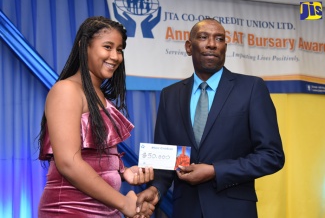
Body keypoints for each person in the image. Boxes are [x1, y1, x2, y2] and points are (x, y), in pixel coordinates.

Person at [136, 18, 285, 218]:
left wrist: (215, 171)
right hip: (186, 211)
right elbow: (166, 159)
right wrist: (156, 189)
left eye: (219, 39)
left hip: (234, 211)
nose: (212, 44)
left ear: (225, 46)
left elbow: (272, 156)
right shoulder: (170, 96)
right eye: (203, 37)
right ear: (189, 47)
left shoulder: (251, 89)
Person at [37, 16, 154, 218]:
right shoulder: (67, 90)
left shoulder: (98, 95)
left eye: (119, 50)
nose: (115, 56)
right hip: (70, 210)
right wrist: (124, 203)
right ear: (85, 46)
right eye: (107, 47)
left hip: (105, 209)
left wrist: (121, 172)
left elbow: (94, 156)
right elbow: (69, 163)